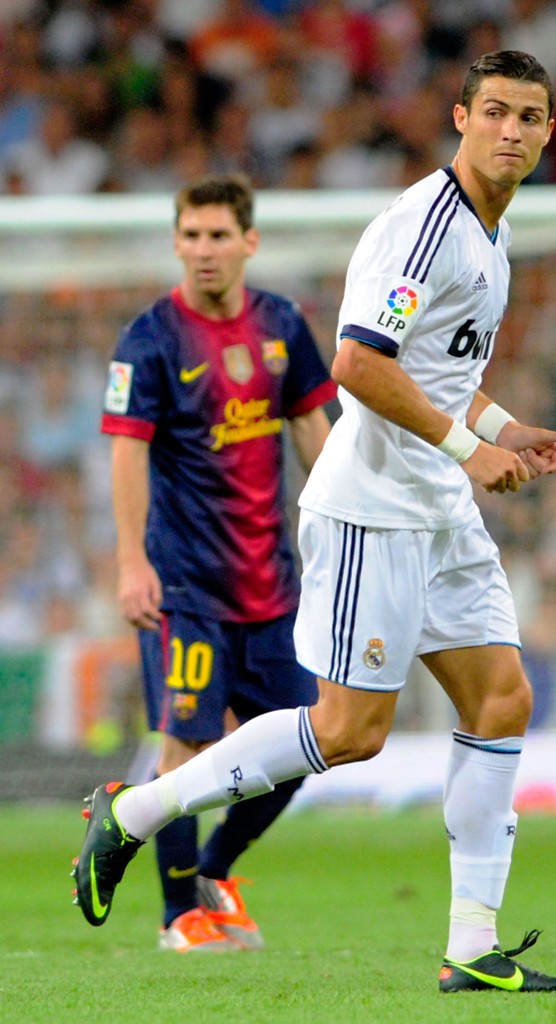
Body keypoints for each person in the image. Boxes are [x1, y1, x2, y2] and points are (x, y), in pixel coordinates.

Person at [74, 52, 556, 992]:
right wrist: (471, 453)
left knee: (503, 699)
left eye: (531, 116)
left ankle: (471, 946)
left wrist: (503, 428)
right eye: (497, 112)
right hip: (376, 509)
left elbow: (439, 371)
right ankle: (135, 813)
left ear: (551, 130)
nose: (513, 130)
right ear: (461, 117)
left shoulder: (490, 233)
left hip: (438, 510)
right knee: (350, 733)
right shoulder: (425, 227)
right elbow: (355, 364)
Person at [93, 173, 336, 952]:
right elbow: (126, 456)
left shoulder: (282, 324)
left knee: (310, 740)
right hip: (186, 586)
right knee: (185, 747)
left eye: (218, 235)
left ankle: (213, 868)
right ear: (176, 242)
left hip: (273, 584)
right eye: (190, 235)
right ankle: (178, 919)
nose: (203, 250)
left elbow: (311, 431)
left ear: (248, 242)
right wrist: (132, 562)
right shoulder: (151, 339)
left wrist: (343, 531)